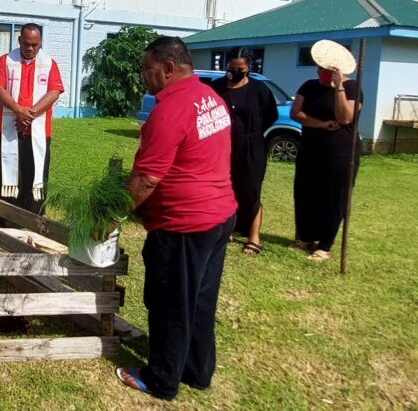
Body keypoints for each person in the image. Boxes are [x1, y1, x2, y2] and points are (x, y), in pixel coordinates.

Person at [116, 36, 237, 400]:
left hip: (184, 224)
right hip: (219, 217)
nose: (143, 76)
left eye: (147, 69)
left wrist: (112, 215)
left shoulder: (169, 112)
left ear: (168, 69)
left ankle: (162, 378)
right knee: (200, 298)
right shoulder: (211, 99)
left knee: (170, 301)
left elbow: (146, 179)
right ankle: (197, 370)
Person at [290, 39, 362, 262]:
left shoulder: (352, 88)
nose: (321, 73)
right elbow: (296, 113)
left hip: (339, 153)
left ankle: (325, 244)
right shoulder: (309, 86)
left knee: (334, 197)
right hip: (311, 149)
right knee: (306, 193)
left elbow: (345, 117)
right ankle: (305, 237)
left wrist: (338, 87)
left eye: (326, 71)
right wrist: (321, 124)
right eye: (319, 69)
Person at [0, 24, 64, 215]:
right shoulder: (6, 61)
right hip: (9, 127)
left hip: (38, 129)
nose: (30, 48)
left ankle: (33, 217)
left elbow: (54, 92)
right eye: (27, 44)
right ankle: (5, 217)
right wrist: (18, 111)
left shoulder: (49, 63)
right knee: (7, 171)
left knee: (35, 173)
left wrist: (29, 115)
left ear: (41, 43)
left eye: (35, 45)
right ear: (19, 40)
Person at [209, 48, 278, 255]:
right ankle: (228, 229)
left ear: (249, 68)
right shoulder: (216, 88)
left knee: (251, 190)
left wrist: (251, 133)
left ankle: (253, 236)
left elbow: (270, 116)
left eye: (240, 68)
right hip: (223, 145)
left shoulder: (259, 90)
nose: (235, 72)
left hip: (251, 146)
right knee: (225, 188)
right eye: (231, 68)